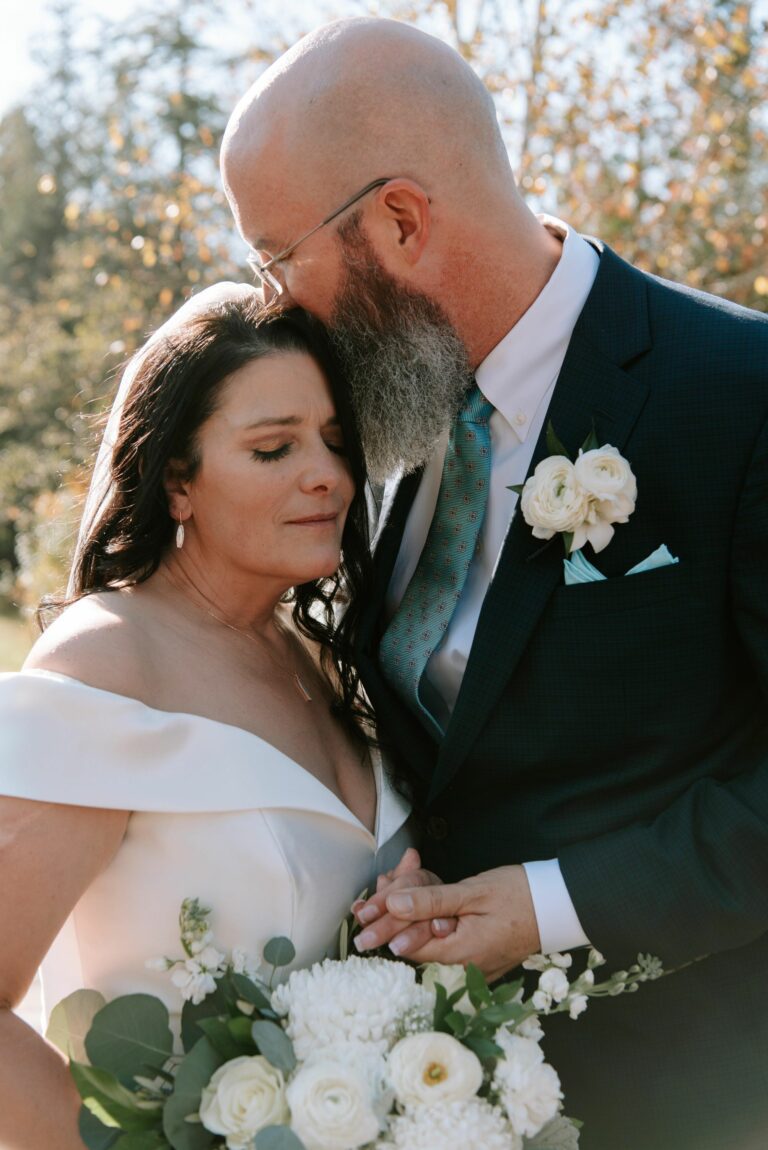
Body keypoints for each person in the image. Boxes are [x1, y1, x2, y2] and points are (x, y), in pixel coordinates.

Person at [220, 17, 768, 1150]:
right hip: (427, 1094)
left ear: (400, 220)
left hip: (698, 1094)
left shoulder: (741, 394)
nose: (270, 304)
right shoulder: (370, 415)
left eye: (277, 258)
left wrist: (556, 903)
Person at [0, 285, 419, 1149]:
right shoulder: (110, 660)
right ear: (178, 481)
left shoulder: (327, 662)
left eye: (336, 443)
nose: (328, 476)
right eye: (273, 448)